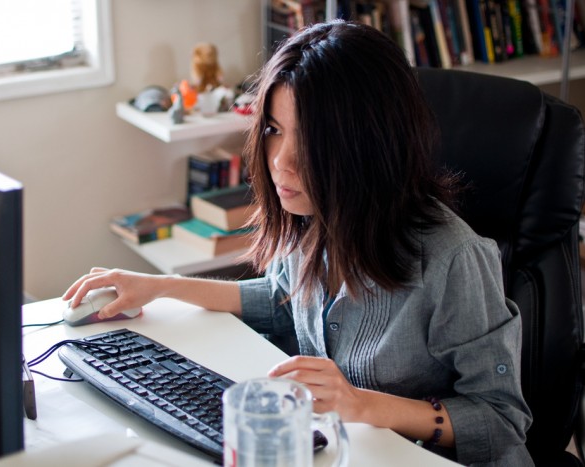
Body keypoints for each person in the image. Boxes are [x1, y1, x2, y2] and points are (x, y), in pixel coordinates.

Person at [63, 20, 533, 466]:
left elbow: (501, 421)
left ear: (365, 145)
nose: (280, 162)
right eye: (273, 130)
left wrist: (364, 405)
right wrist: (161, 286)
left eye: (308, 138)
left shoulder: (454, 257)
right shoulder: (314, 217)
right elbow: (281, 300)